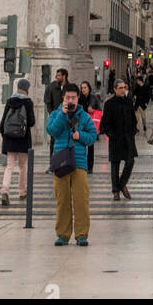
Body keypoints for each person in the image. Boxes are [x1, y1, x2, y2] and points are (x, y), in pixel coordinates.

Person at [46, 83, 98, 246]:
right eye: (68, 97)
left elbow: (92, 136)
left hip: (79, 162)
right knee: (62, 199)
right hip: (61, 161)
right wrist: (62, 115)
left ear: (78, 99)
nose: (71, 100)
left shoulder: (84, 116)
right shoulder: (56, 113)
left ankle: (81, 234)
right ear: (63, 98)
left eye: (73, 98)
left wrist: (79, 136)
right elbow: (52, 131)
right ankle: (62, 234)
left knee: (81, 199)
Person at [0, 78, 35, 207]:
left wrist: (5, 136)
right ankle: (22, 191)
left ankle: (5, 190)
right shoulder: (28, 102)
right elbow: (31, 122)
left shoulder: (10, 101)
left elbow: (3, 122)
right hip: (23, 138)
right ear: (26, 89)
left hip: (9, 138)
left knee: (9, 166)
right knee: (22, 166)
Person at [101, 77, 138, 201]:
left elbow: (133, 117)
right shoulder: (109, 104)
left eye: (124, 88)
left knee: (130, 161)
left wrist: (133, 130)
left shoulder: (128, 101)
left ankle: (122, 184)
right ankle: (115, 190)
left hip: (128, 137)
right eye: (120, 88)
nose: (123, 90)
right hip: (116, 138)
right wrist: (111, 134)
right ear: (115, 89)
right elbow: (104, 123)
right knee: (115, 165)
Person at [44, 67, 67, 170]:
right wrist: (52, 114)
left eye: (59, 75)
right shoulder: (51, 87)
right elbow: (47, 101)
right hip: (55, 118)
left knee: (65, 142)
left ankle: (65, 163)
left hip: (66, 119)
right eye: (56, 75)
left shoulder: (69, 87)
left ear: (64, 76)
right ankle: (52, 165)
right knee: (53, 142)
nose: (56, 77)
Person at [79, 81, 101, 175]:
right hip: (81, 125)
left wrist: (93, 110)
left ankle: (90, 167)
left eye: (85, 87)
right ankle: (82, 165)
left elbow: (99, 110)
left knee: (91, 146)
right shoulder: (79, 99)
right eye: (82, 88)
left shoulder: (93, 98)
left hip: (90, 125)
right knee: (81, 146)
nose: (83, 89)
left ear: (89, 88)